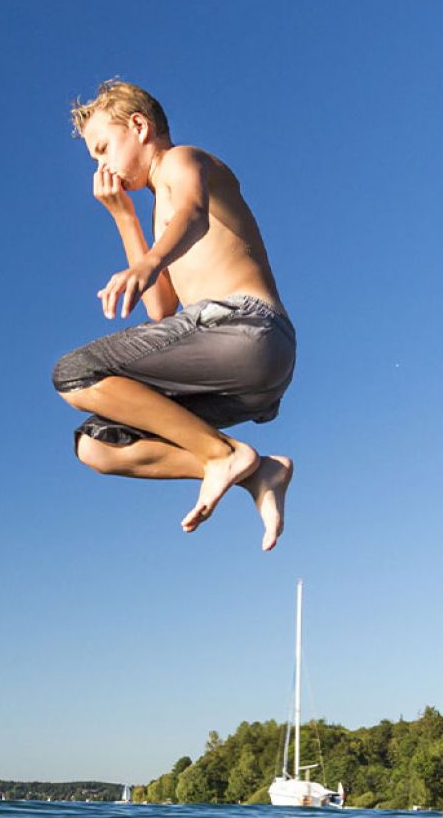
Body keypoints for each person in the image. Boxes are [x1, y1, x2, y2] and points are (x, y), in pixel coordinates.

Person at [52, 80, 295, 550]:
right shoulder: (157, 206)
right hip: (242, 373)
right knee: (98, 444)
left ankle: (223, 455)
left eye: (103, 149)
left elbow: (195, 212)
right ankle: (252, 470)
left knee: (75, 372)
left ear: (139, 127)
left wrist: (145, 263)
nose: (102, 166)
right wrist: (124, 217)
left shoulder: (183, 161)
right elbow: (162, 310)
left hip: (246, 327)